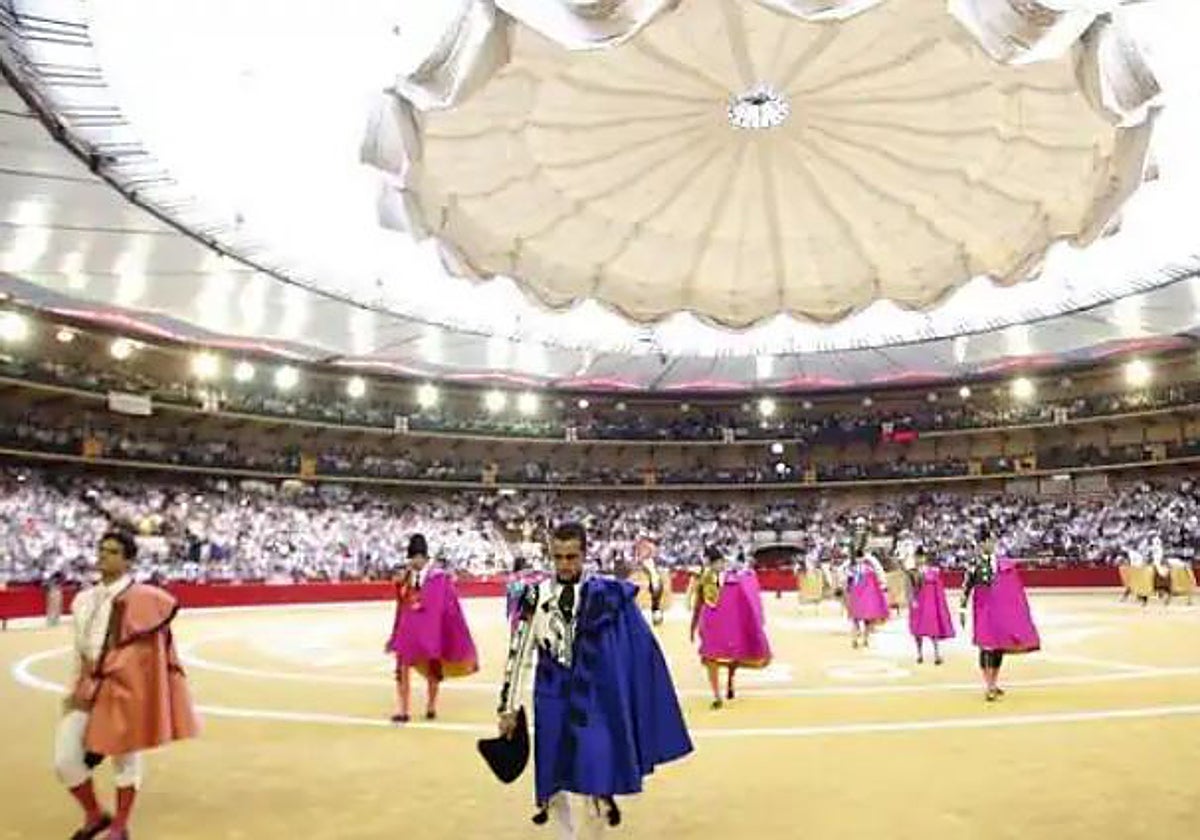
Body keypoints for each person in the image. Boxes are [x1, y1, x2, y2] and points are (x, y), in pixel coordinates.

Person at [496, 522, 692, 837]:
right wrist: (507, 706)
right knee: (553, 772)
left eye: (571, 557)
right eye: (558, 557)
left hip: (591, 695)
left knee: (594, 769)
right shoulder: (533, 596)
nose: (564, 564)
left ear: (585, 555)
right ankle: (566, 835)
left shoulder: (602, 595)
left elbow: (636, 647)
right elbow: (518, 653)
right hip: (550, 694)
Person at [55, 531, 198, 840]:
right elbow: (79, 650)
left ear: (128, 560)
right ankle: (95, 815)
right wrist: (72, 689)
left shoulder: (144, 599)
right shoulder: (83, 600)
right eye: (101, 549)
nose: (103, 556)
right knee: (65, 761)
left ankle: (119, 826)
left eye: (113, 552)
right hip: (88, 685)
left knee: (125, 759)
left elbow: (149, 657)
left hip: (123, 687)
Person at [384, 534, 478, 723]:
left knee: (433, 669)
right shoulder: (407, 578)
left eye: (418, 557)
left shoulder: (439, 578)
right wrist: (395, 631)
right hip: (409, 630)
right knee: (402, 668)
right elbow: (401, 605)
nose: (415, 561)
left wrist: (444, 631)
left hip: (431, 631)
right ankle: (403, 710)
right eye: (412, 558)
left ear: (426, 558)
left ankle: (431, 706)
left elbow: (450, 608)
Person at [960, 533, 1041, 701]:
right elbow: (966, 586)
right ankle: (988, 685)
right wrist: (962, 609)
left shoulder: (1002, 562)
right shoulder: (974, 563)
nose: (990, 544)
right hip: (982, 608)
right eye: (987, 541)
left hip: (1000, 610)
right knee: (986, 646)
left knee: (998, 647)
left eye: (992, 541)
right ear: (981, 544)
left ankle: (994, 683)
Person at [690, 545, 772, 709]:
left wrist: (693, 627)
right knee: (721, 656)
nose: (720, 565)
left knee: (718, 657)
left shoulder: (717, 577)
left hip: (717, 623)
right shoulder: (731, 578)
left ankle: (724, 687)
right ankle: (722, 690)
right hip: (721, 623)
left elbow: (699, 604)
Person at [907, 558, 954, 665]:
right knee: (924, 630)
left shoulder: (919, 573)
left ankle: (930, 654)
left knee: (928, 629)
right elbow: (910, 588)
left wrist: (912, 600)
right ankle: (924, 654)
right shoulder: (917, 573)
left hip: (927, 603)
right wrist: (912, 600)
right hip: (924, 603)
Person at [845, 535, 889, 649]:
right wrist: (882, 587)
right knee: (866, 621)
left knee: (856, 620)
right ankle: (863, 639)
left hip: (857, 597)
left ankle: (856, 639)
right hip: (865, 598)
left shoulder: (852, 568)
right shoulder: (869, 568)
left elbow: (848, 583)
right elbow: (876, 581)